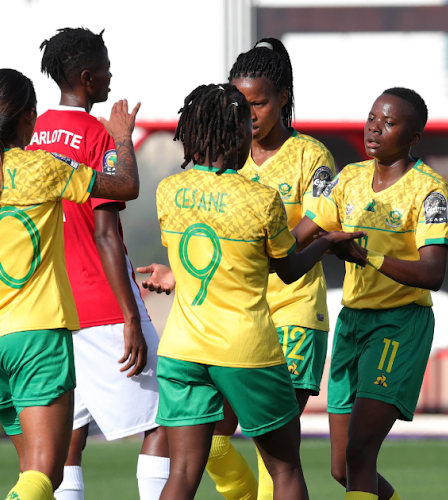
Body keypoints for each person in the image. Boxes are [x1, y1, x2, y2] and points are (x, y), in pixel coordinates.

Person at [138, 38, 337, 500]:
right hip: (235, 323)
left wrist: (253, 252)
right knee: (218, 445)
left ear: (283, 97)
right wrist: (183, 272)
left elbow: (322, 216)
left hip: (290, 313)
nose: (248, 115)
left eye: (257, 103)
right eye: (239, 105)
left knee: (275, 459)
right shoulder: (228, 155)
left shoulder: (311, 155)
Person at [0, 68, 141, 500]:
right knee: (48, 471)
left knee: (31, 473)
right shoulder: (41, 168)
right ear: (29, 119)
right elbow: (124, 186)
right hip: (35, 335)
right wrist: (122, 137)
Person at [291, 87, 448, 500]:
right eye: (371, 118)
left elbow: (433, 273)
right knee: (341, 467)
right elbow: (298, 239)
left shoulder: (430, 191)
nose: (374, 128)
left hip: (398, 326)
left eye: (388, 122)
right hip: (352, 323)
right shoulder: (348, 179)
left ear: (413, 137)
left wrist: (367, 257)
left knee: (361, 452)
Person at [26, 27, 169, 500]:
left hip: (50, 310)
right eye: (106, 67)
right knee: (163, 420)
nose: (112, 75)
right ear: (87, 77)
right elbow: (105, 230)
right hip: (101, 305)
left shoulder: (32, 134)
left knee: (70, 436)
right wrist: (131, 315)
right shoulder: (96, 135)